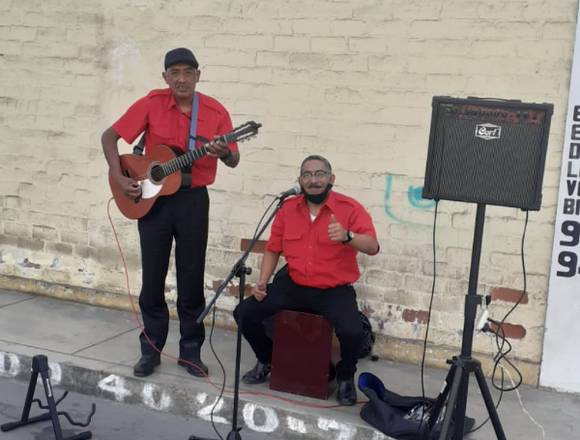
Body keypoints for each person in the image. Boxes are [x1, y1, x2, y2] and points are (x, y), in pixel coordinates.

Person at [101, 47, 240, 378]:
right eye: (174, 72)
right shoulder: (151, 103)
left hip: (193, 200)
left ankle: (191, 351)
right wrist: (120, 176)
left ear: (198, 76)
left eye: (187, 72)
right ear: (165, 77)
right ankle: (150, 349)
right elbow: (110, 136)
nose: (181, 79)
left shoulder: (215, 111)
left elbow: (234, 158)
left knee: (191, 278)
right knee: (152, 277)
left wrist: (223, 153)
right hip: (154, 200)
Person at [233, 155, 379, 405]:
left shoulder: (349, 208)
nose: (314, 180)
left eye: (320, 174)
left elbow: (373, 246)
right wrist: (263, 281)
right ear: (300, 180)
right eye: (307, 175)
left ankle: (345, 377)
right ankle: (267, 359)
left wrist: (347, 236)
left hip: (333, 288)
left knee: (352, 331)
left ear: (331, 178)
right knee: (244, 313)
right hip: (294, 283)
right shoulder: (288, 209)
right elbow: (273, 249)